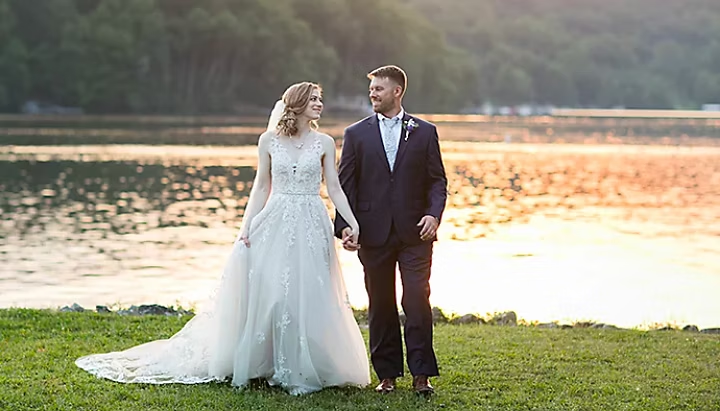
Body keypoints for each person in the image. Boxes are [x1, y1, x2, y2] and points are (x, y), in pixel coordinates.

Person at [75, 82, 371, 396]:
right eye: (313, 99)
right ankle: (272, 363)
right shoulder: (268, 141)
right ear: (297, 104)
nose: (319, 104)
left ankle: (309, 364)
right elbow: (260, 188)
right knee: (275, 293)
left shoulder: (324, 142)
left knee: (310, 291)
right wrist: (245, 229)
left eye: (320, 99)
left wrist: (353, 222)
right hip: (276, 220)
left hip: (312, 221)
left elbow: (334, 188)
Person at [334, 65, 447, 395]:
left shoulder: (424, 131)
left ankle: (421, 375)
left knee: (416, 299)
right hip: (373, 233)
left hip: (416, 233)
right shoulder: (356, 134)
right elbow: (346, 184)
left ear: (397, 91)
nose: (373, 94)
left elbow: (437, 181)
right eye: (371, 89)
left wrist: (433, 215)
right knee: (380, 303)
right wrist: (345, 227)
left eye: (379, 89)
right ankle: (387, 375)